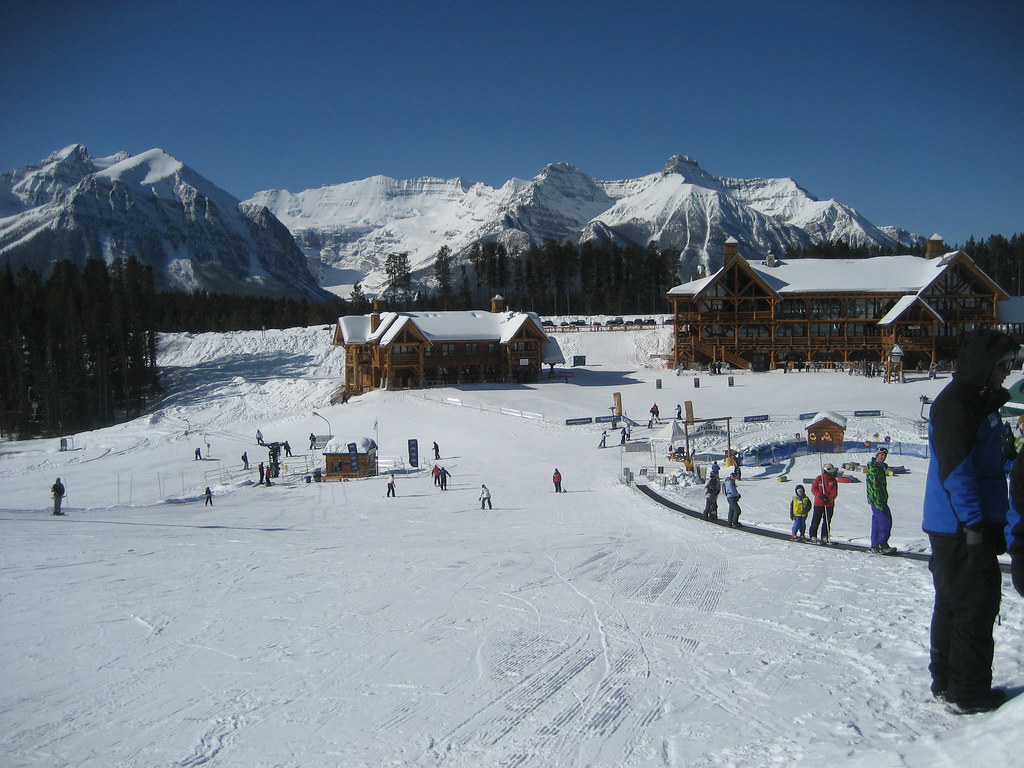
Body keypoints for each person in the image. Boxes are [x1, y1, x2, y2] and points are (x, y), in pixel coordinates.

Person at [923, 328, 1018, 714]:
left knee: (953, 601)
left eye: (1011, 365)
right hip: (959, 524)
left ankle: (947, 681)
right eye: (1003, 366)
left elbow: (987, 462)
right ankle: (969, 690)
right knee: (974, 604)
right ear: (985, 365)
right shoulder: (957, 405)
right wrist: (976, 525)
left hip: (964, 522)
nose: (1006, 375)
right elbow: (956, 470)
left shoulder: (978, 401)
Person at [866, 448, 896, 553]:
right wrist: (878, 501)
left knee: (877, 522)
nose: (883, 457)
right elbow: (874, 486)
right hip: (877, 500)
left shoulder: (880, 467)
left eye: (884, 455)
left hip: (880, 498)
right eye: (881, 455)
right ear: (877, 455)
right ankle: (882, 544)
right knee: (885, 521)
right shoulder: (874, 468)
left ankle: (874, 545)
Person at [810, 463, 839, 544]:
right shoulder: (819, 479)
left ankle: (825, 536)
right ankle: (813, 536)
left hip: (829, 504)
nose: (832, 472)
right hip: (819, 503)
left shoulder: (833, 481)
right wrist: (820, 495)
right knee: (816, 520)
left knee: (827, 521)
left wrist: (829, 499)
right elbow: (814, 489)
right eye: (831, 470)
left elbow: (834, 492)